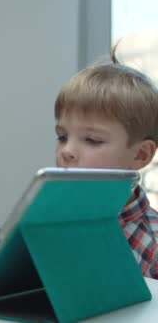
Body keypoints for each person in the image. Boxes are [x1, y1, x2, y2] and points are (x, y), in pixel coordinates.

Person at [54, 61, 158, 278]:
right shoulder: (50, 221)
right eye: (62, 137)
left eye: (92, 140)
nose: (67, 151)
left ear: (141, 155)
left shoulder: (153, 244)